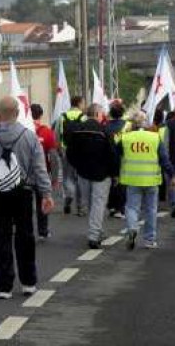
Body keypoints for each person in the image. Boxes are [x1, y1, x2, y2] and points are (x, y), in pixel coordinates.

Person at [0, 97, 54, 300]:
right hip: (23, 192)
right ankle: (28, 282)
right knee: (25, 236)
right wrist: (46, 194)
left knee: (0, 237)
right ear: (17, 113)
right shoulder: (29, 136)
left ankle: (4, 286)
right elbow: (40, 169)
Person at [65, 104, 120, 249]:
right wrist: (114, 173)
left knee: (90, 203)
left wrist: (78, 166)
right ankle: (94, 235)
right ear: (97, 114)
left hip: (83, 173)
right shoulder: (104, 131)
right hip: (102, 174)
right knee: (98, 204)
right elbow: (112, 154)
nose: (103, 116)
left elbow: (70, 153)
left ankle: (97, 231)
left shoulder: (77, 131)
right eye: (102, 113)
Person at [118, 112, 175, 250]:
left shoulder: (125, 138)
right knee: (151, 210)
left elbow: (116, 155)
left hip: (132, 179)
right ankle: (150, 239)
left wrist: (115, 173)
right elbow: (164, 159)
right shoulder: (154, 138)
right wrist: (172, 175)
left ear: (133, 124)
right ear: (146, 123)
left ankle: (132, 228)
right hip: (151, 179)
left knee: (132, 208)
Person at [31, 103, 60, 240]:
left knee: (24, 202)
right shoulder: (47, 132)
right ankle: (43, 231)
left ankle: (24, 228)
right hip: (42, 172)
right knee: (42, 200)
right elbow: (53, 156)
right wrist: (54, 177)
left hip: (23, 174)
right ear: (41, 115)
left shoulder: (24, 130)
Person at [57, 96, 87, 216]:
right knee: (80, 178)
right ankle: (80, 207)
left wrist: (59, 149)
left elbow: (57, 134)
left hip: (66, 150)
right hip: (80, 151)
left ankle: (69, 196)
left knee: (67, 177)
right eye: (83, 103)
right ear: (79, 103)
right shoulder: (84, 118)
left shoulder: (62, 117)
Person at [105, 101, 130, 219]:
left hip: (109, 156)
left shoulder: (106, 126)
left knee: (111, 182)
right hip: (123, 157)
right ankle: (120, 208)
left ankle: (111, 206)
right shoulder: (127, 125)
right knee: (122, 183)